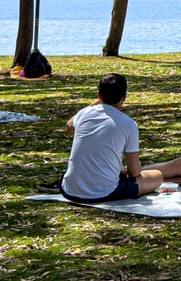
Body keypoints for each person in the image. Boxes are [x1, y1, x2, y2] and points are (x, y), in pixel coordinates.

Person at [58, 74, 144, 202]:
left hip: (69, 189)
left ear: (99, 95)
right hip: (104, 192)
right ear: (124, 97)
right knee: (157, 177)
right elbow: (135, 172)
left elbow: (69, 127)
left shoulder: (84, 113)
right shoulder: (128, 124)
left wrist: (94, 104)